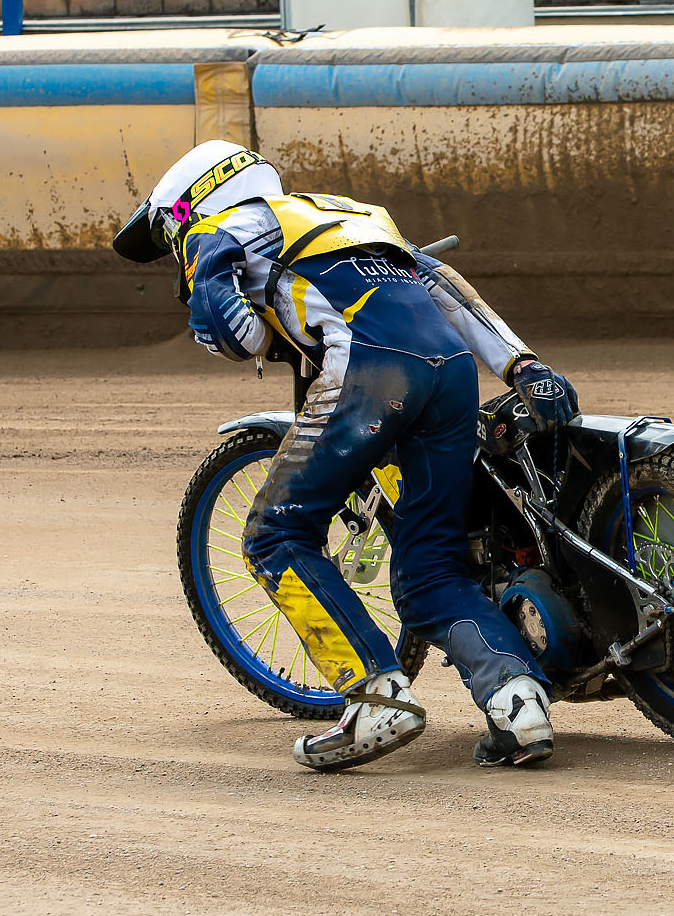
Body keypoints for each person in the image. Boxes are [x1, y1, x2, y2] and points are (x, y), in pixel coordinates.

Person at [113, 139, 581, 772]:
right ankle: (518, 702)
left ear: (186, 207)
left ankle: (376, 694)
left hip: (371, 375)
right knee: (431, 571)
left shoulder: (218, 231)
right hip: (451, 373)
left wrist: (210, 302)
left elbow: (241, 338)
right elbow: (442, 287)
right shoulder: (347, 213)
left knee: (274, 534)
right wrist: (522, 364)